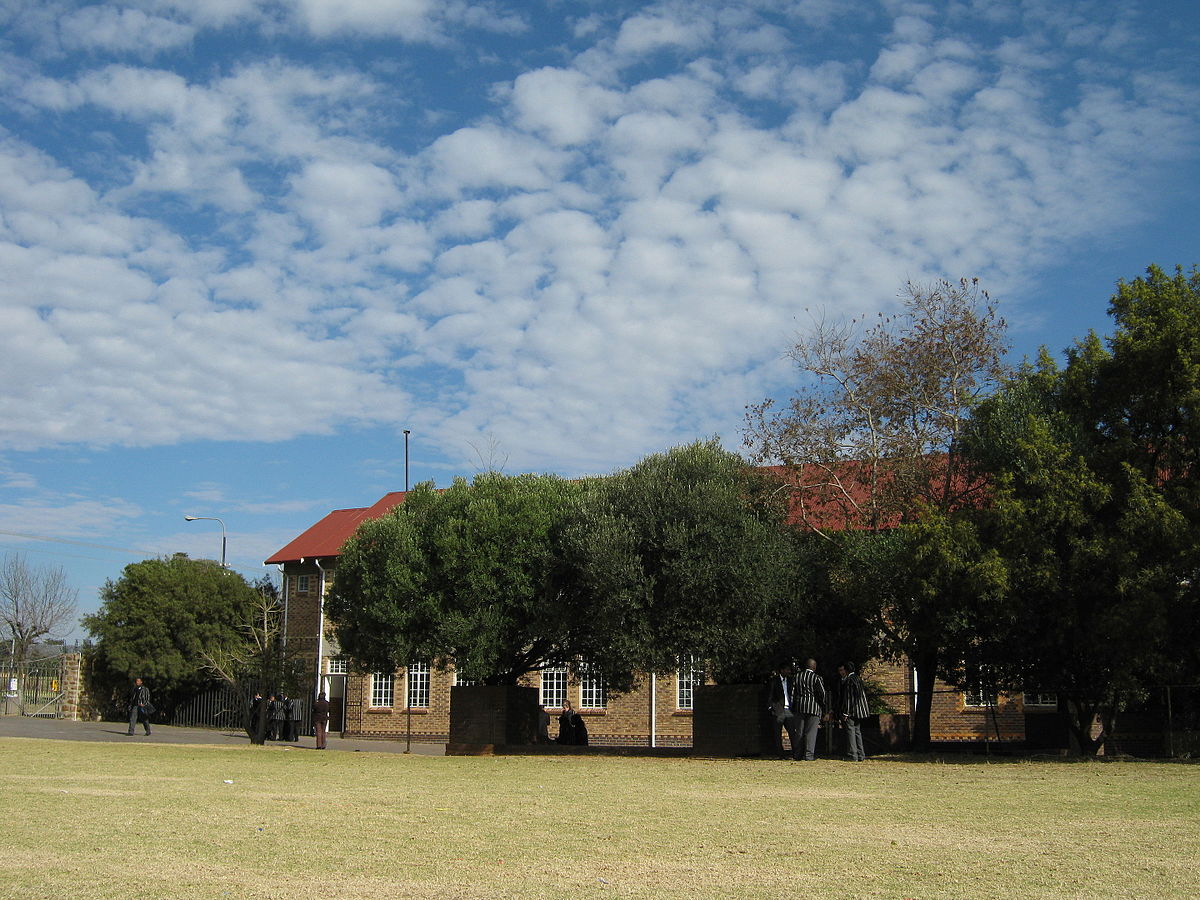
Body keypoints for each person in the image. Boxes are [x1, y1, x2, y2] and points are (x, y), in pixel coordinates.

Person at [793, 658, 827, 760]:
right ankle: (808, 755)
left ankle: (797, 754)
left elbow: (793, 693)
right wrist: (823, 706)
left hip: (800, 707)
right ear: (814, 667)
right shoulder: (816, 678)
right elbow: (822, 694)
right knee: (810, 732)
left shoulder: (797, 676)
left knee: (799, 732)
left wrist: (794, 706)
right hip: (813, 707)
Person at [837, 661, 871, 761]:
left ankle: (853, 755)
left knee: (850, 731)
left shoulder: (849, 680)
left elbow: (849, 698)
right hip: (860, 710)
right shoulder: (858, 678)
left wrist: (845, 713)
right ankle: (861, 754)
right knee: (857, 732)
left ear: (846, 670)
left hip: (852, 711)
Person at [767, 662, 800, 759]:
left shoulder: (790, 681)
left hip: (788, 709)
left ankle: (795, 753)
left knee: (792, 732)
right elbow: (770, 695)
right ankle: (780, 754)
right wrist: (772, 707)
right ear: (781, 670)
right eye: (787, 670)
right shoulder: (774, 681)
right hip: (778, 710)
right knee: (777, 733)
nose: (788, 671)